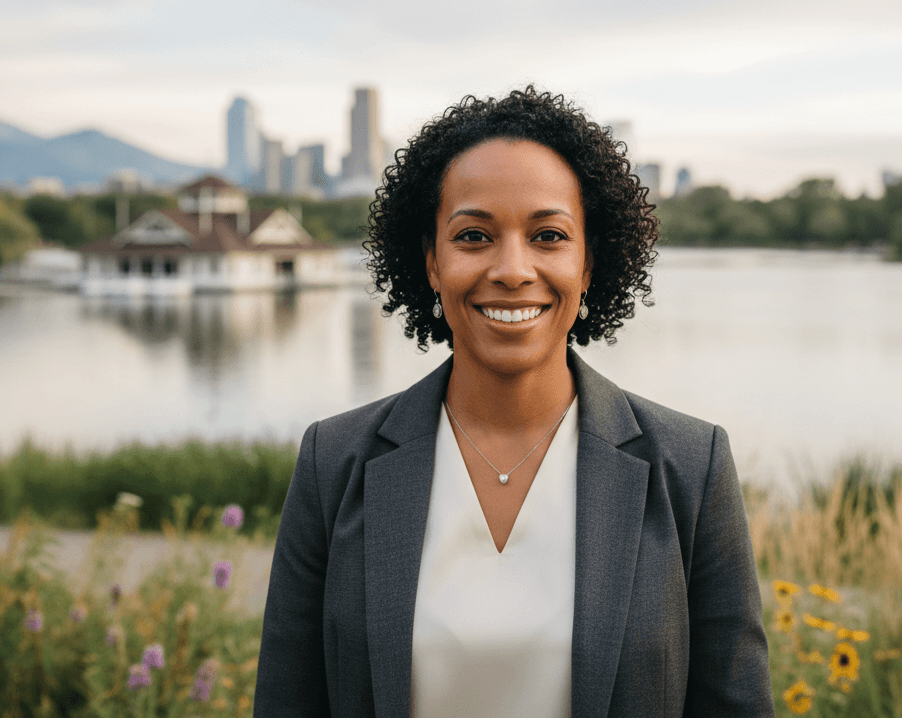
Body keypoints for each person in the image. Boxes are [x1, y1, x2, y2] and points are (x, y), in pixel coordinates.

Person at [254, 87, 773, 718]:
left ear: (588, 265)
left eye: (549, 235)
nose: (512, 268)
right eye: (473, 236)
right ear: (431, 264)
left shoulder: (691, 466)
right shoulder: (333, 463)